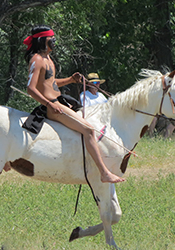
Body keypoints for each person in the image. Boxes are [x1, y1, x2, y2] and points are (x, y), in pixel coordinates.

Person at [22, 24, 124, 183]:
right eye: (51, 38)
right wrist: (49, 104)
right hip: (54, 107)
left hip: (58, 102)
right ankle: (104, 173)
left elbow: (50, 83)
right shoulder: (37, 59)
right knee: (89, 130)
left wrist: (70, 80)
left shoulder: (48, 59)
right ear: (43, 40)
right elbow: (31, 88)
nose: (54, 41)